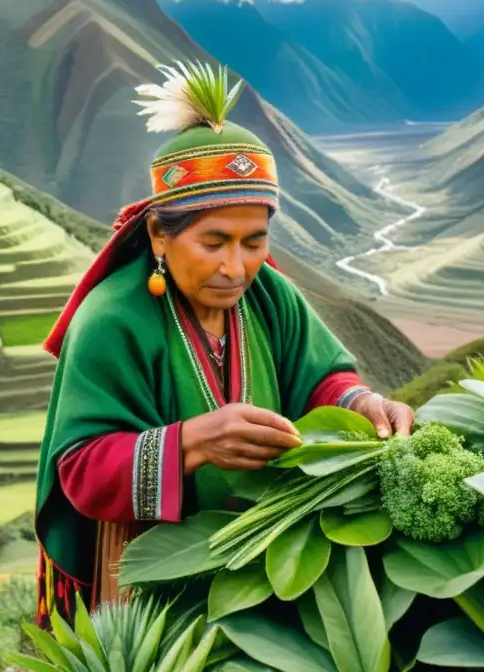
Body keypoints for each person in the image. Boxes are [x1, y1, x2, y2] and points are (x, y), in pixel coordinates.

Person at [32, 60, 415, 627]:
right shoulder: (111, 321)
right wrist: (190, 443)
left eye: (254, 241)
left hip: (268, 550)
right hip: (148, 575)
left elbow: (320, 378)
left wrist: (364, 407)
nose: (237, 268)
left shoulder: (269, 295)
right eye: (214, 242)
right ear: (161, 234)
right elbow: (81, 469)